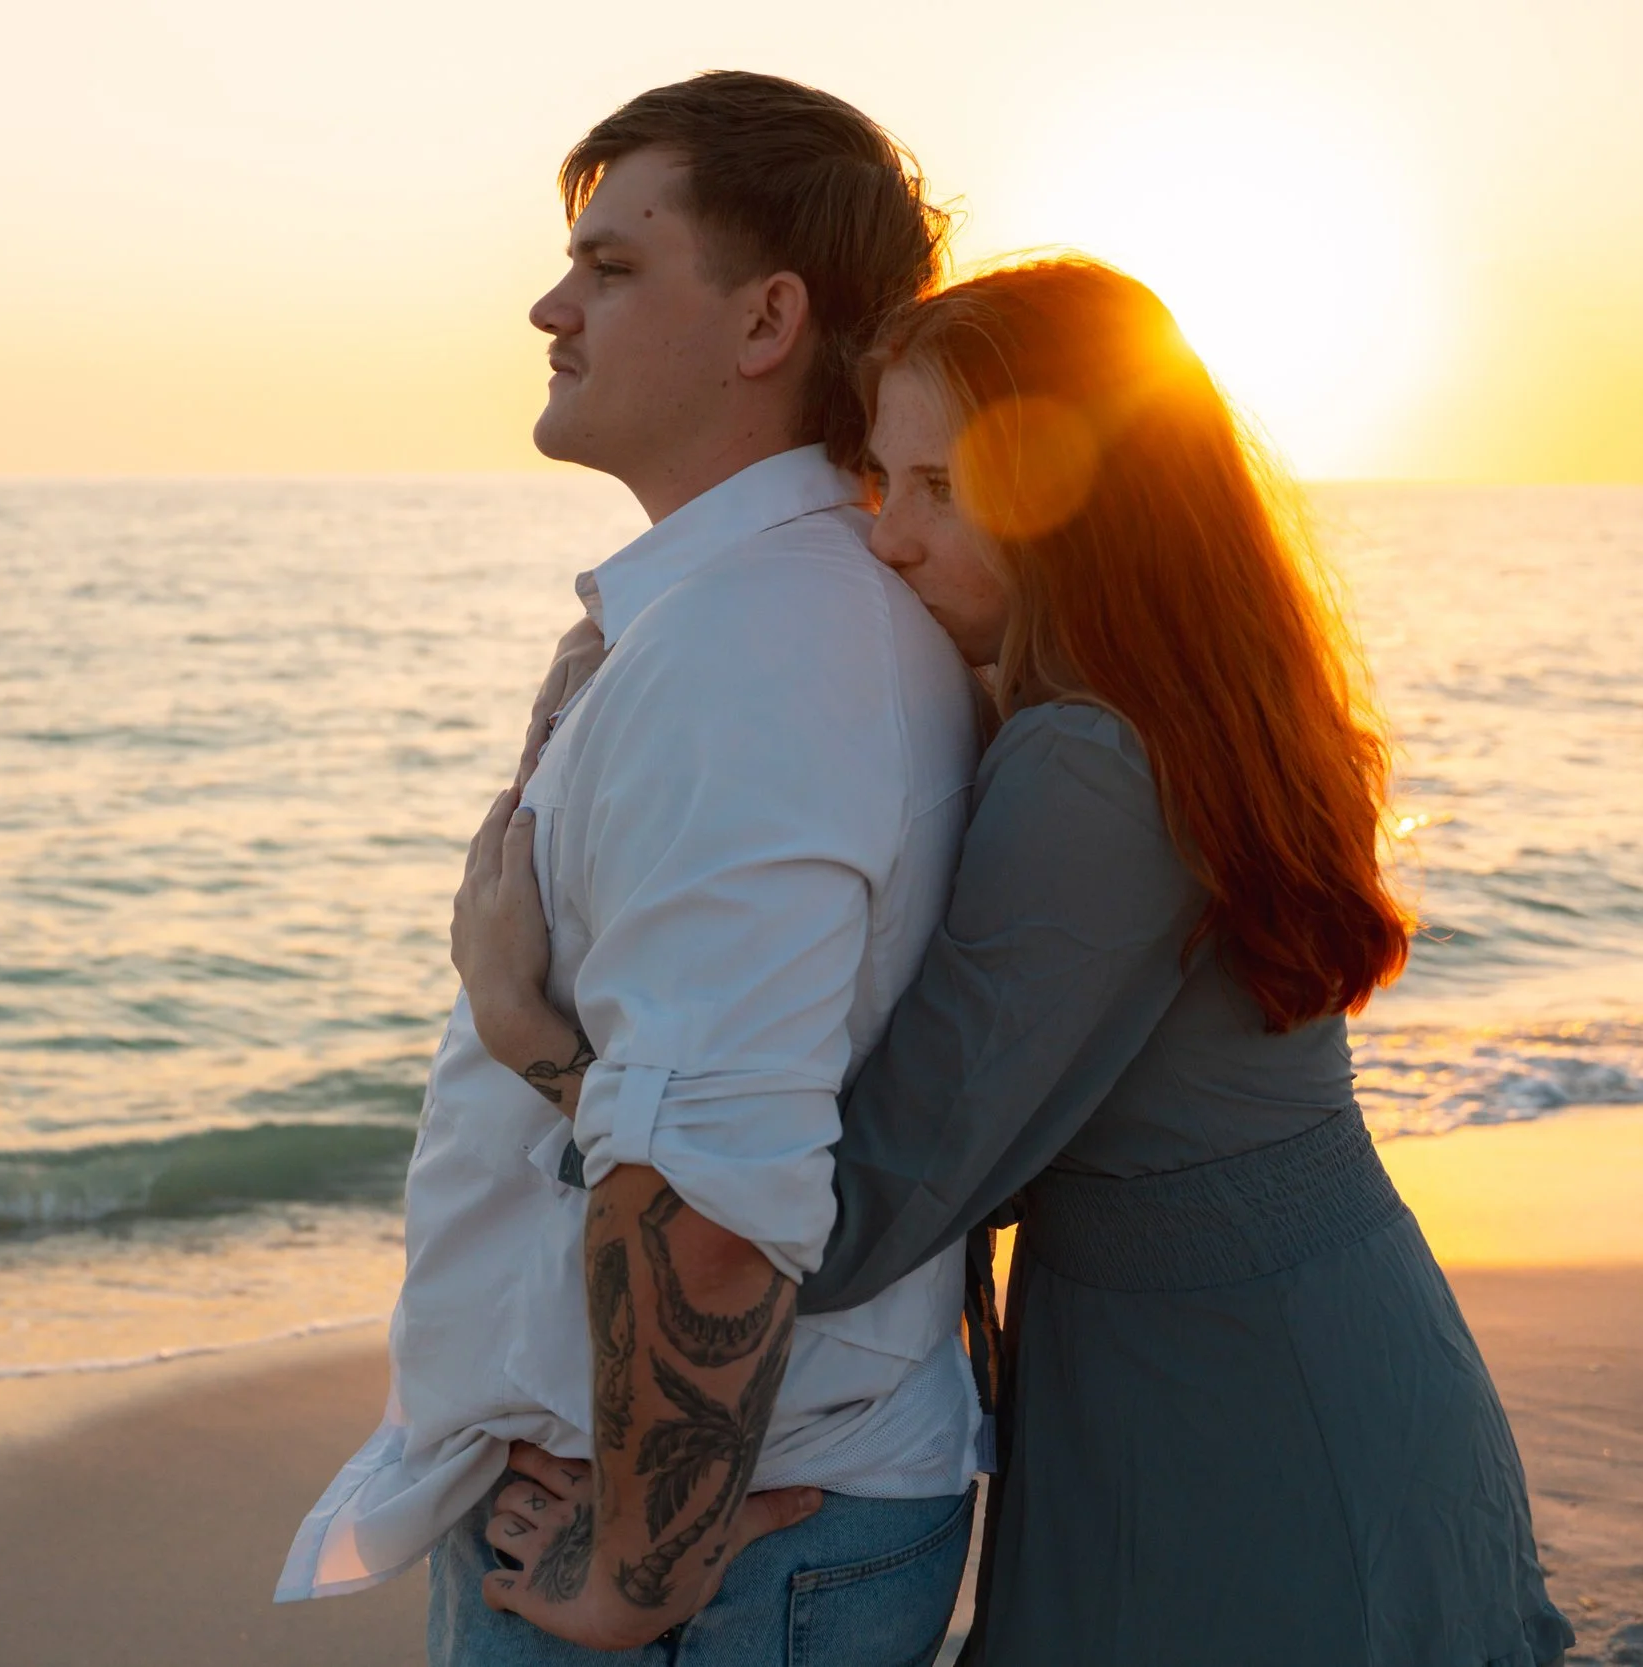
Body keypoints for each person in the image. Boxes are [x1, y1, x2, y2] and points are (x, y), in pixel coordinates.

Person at [452, 257, 1579, 1666]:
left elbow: (844, 1214)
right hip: (1299, 1350)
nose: (890, 539)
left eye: (942, 488)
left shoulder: (1091, 763)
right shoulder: (1183, 709)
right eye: (886, 481)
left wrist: (531, 1033)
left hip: (1231, 1416)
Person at [275, 73, 992, 1664]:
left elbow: (714, 1182)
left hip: (689, 1556)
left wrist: (637, 1577)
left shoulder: (755, 648)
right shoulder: (747, 616)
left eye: (610, 268)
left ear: (767, 320)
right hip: (685, 1507)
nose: (551, 307)